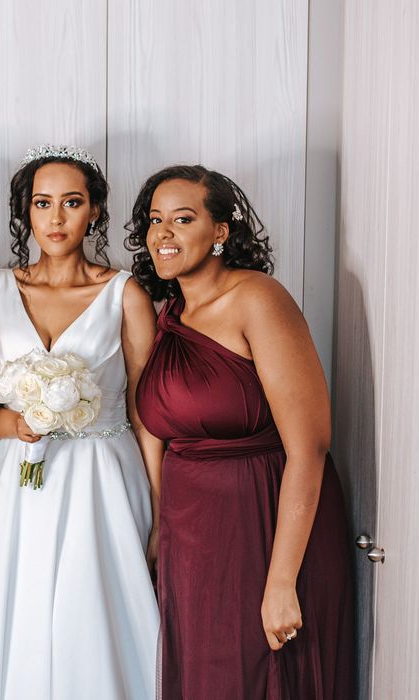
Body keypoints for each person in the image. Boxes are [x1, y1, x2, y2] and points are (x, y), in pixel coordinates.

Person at [127, 164, 354, 698]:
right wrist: (160, 529)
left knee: (265, 675)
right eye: (155, 220)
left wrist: (281, 582)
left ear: (221, 232)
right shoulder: (170, 311)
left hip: (264, 520)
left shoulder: (257, 298)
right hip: (194, 538)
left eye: (182, 219)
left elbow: (310, 447)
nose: (164, 233)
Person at [0, 145, 160, 699]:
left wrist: (162, 510)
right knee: (10, 602)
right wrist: (13, 425)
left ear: (93, 210)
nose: (55, 218)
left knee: (87, 610)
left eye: (71, 203)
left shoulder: (125, 294)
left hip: (101, 476)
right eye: (42, 203)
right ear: (26, 212)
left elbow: (147, 410)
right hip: (10, 480)